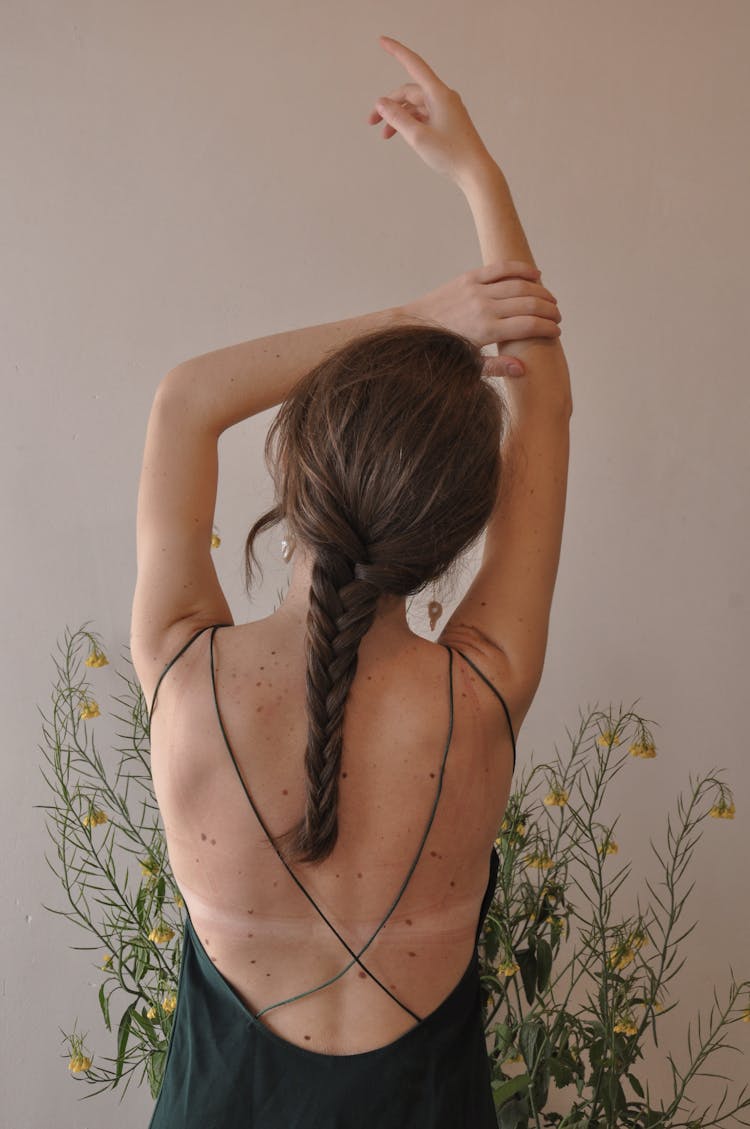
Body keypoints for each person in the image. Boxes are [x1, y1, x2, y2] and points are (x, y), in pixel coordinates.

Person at [131, 34, 572, 1129]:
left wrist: (421, 315)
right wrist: (481, 176)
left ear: (289, 465)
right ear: (455, 535)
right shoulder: (483, 694)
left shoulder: (184, 678)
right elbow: (547, 409)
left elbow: (186, 399)